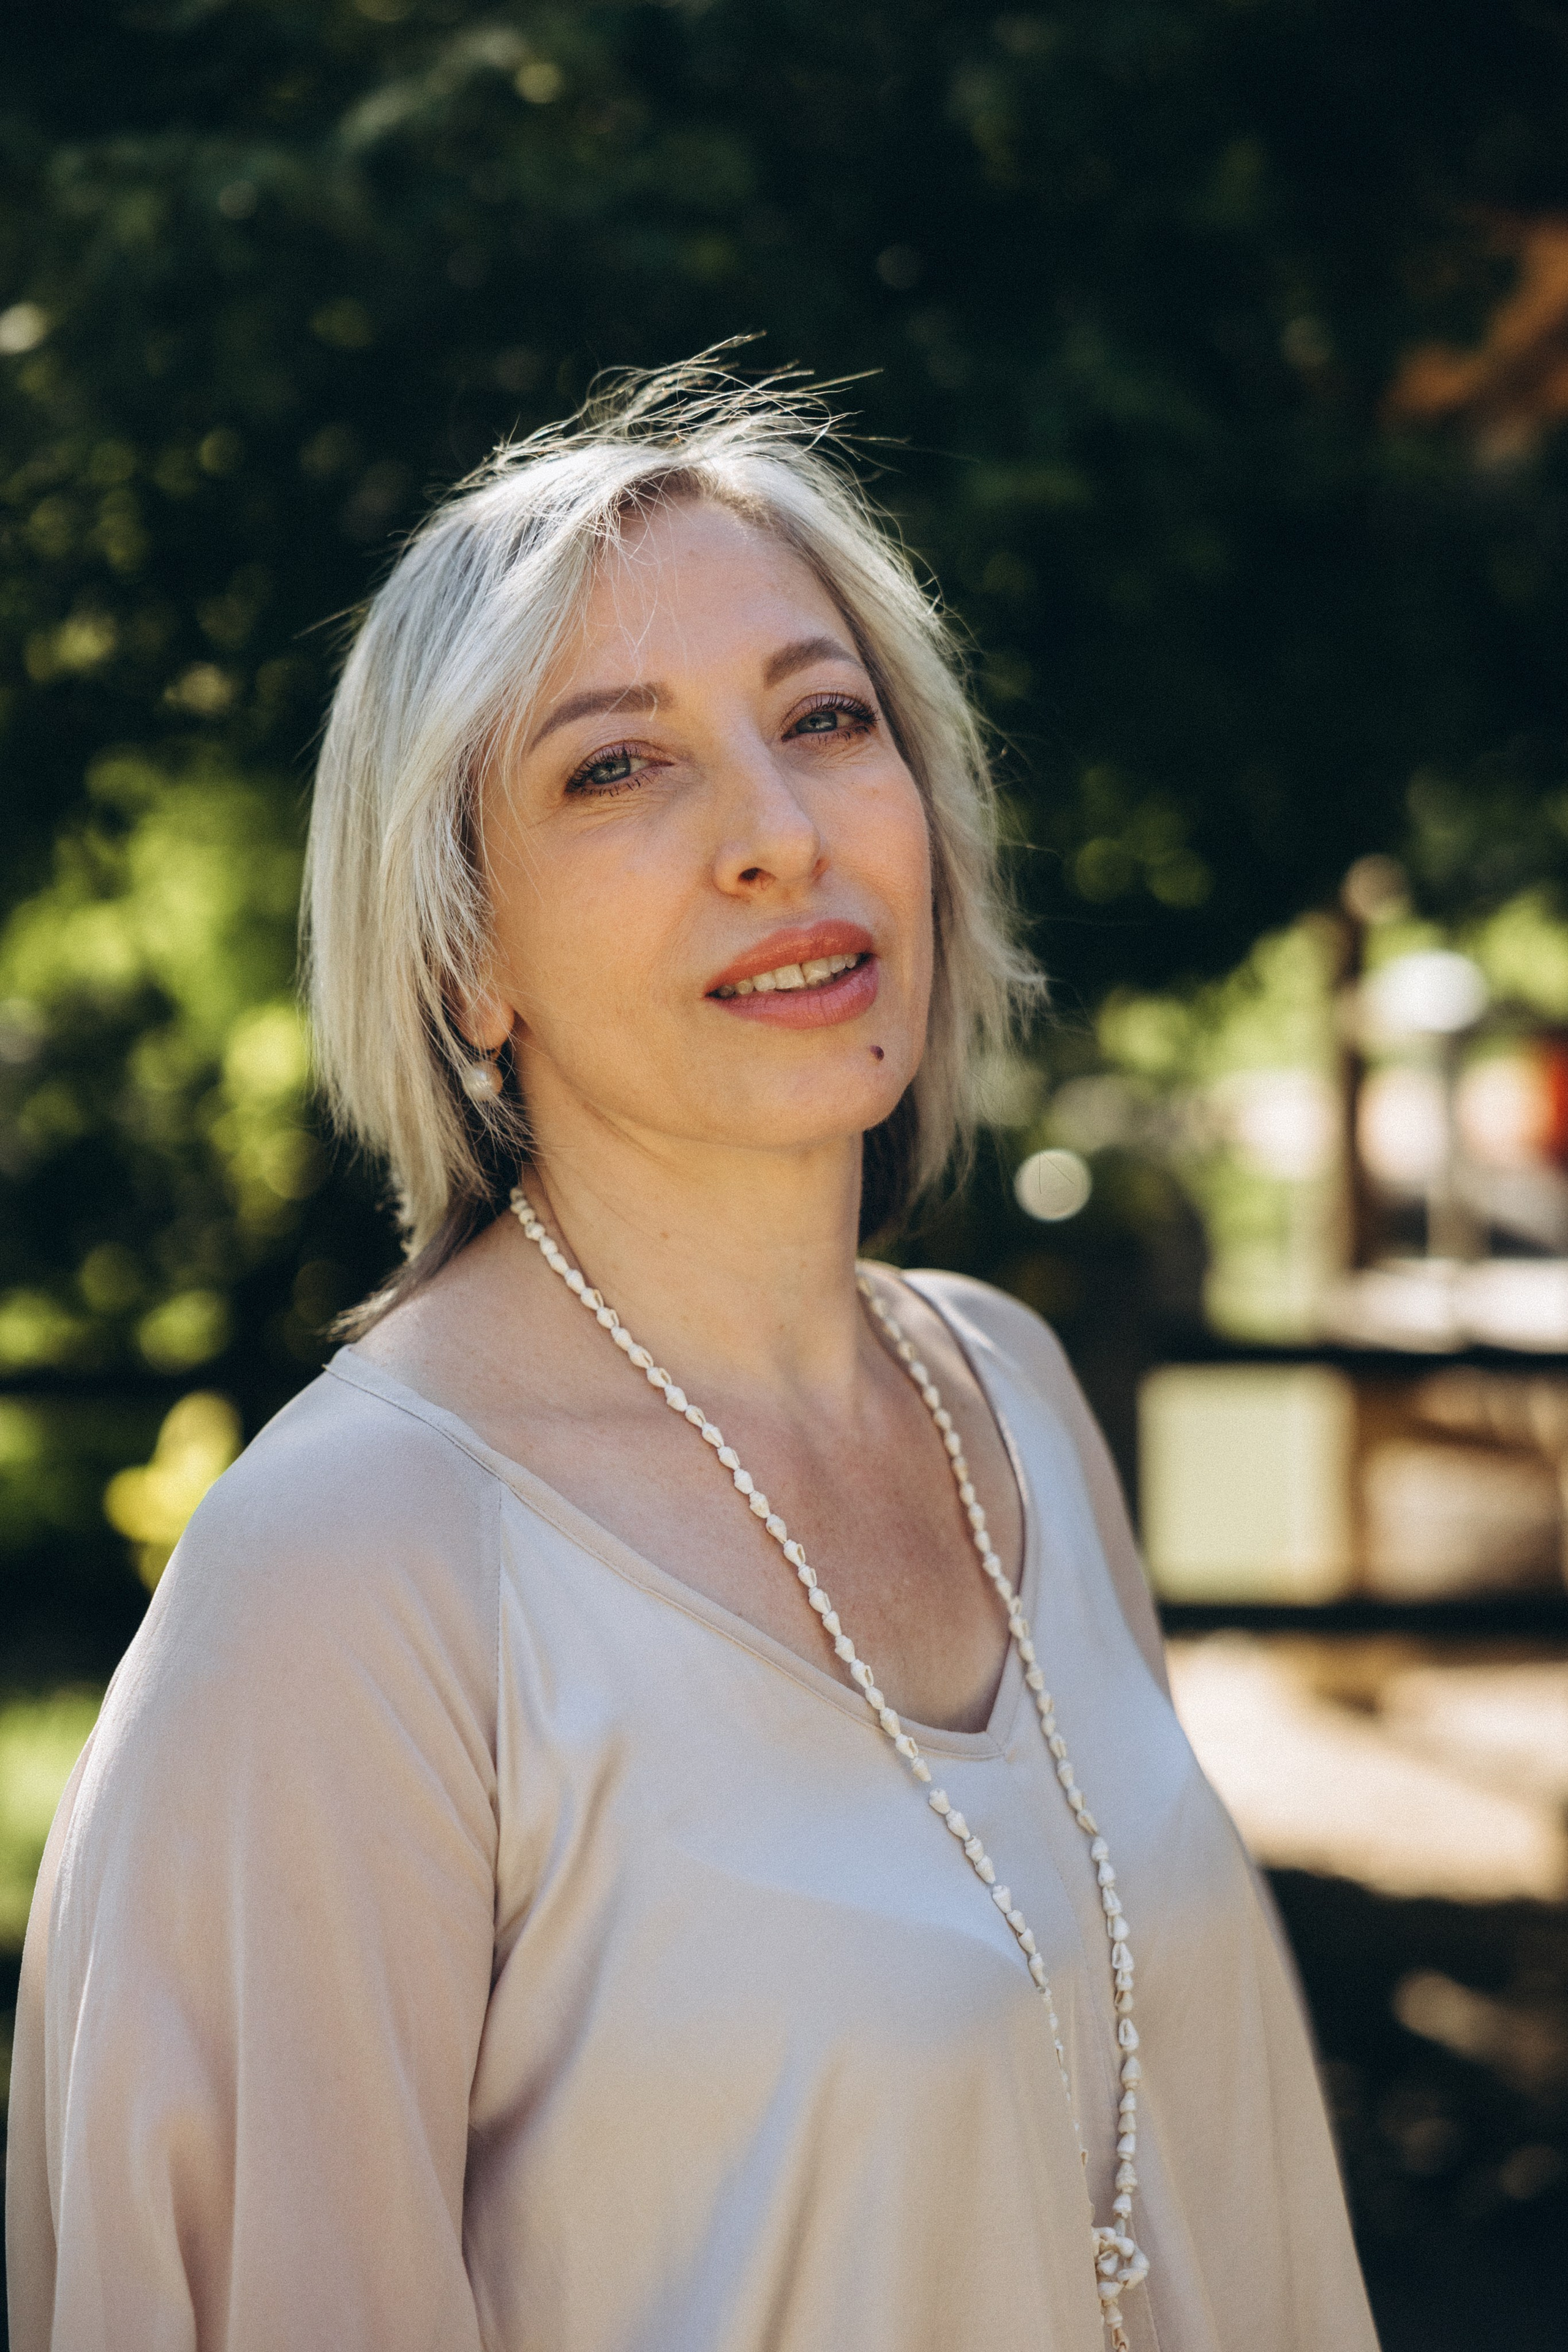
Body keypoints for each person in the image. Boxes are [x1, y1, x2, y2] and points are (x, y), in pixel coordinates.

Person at [7, 362, 1378, 2352]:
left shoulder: (1011, 1400)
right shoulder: (348, 1570)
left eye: (826, 720)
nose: (779, 836)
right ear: (465, 956)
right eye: (615, 769)